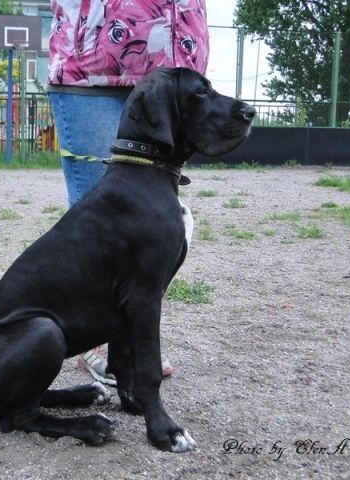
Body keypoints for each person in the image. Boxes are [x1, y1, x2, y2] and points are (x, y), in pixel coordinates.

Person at [47, 0, 210, 385]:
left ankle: (130, 344)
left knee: (150, 229)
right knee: (98, 227)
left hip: (177, 61)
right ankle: (91, 338)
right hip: (93, 60)